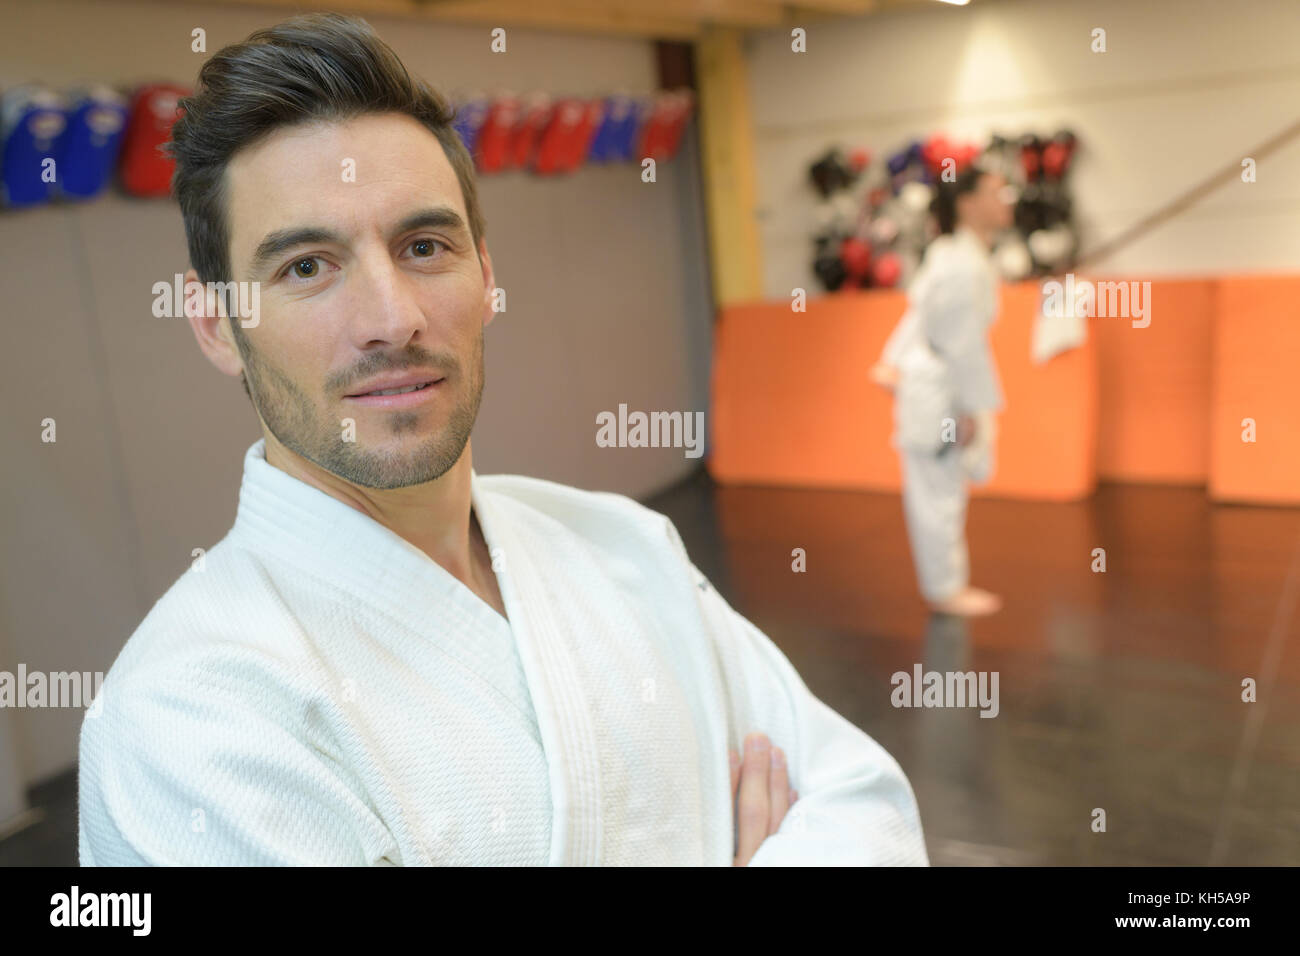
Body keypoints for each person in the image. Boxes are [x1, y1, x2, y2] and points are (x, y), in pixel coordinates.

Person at [76, 13, 927, 866]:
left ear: (485, 275)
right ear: (217, 323)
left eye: (423, 246)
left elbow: (869, 806)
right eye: (306, 266)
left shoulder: (624, 544)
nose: (392, 319)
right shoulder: (187, 713)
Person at [869, 165, 1013, 617]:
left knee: (943, 487)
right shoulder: (960, 264)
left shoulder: (955, 255)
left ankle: (946, 584)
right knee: (939, 491)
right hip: (942, 399)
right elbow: (960, 343)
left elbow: (922, 316)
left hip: (935, 387)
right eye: (996, 191)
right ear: (967, 203)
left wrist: (891, 361)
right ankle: (945, 589)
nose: (1007, 198)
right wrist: (970, 408)